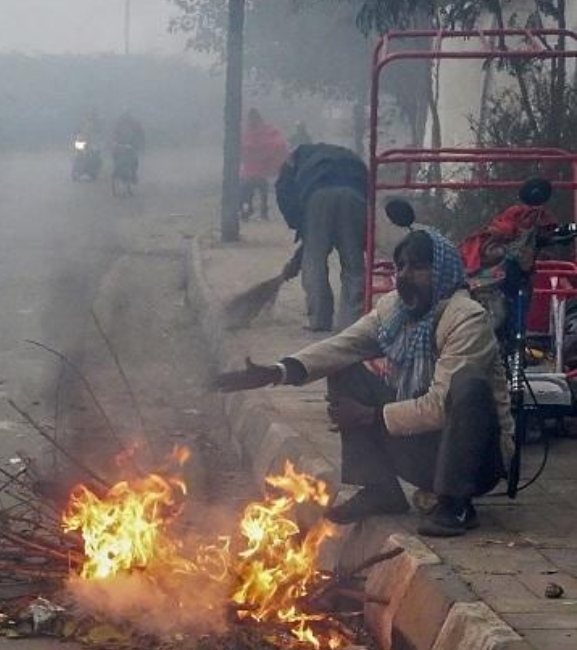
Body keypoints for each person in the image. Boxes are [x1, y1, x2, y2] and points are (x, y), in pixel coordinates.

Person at [213, 228, 514, 537]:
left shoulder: (466, 319)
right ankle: (380, 489)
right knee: (343, 368)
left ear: (442, 271)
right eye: (402, 267)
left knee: (468, 385)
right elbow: (345, 346)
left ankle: (455, 505)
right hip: (422, 449)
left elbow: (438, 406)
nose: (407, 276)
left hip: (477, 460)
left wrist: (370, 415)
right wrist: (278, 372)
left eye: (418, 267)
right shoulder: (395, 309)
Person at [275, 143, 368, 332]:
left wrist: (299, 224)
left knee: (314, 261)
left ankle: (319, 320)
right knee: (354, 264)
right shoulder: (347, 154)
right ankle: (352, 325)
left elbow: (283, 191)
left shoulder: (294, 159)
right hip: (355, 196)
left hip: (318, 197)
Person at [239, 108, 287, 221]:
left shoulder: (247, 133)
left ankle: (247, 211)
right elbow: (277, 144)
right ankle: (263, 212)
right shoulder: (265, 130)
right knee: (262, 193)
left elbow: (241, 148)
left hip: (250, 171)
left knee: (248, 194)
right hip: (261, 170)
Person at [111, 108, 146, 182]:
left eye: (127, 114)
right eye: (125, 114)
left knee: (134, 159)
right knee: (115, 155)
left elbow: (140, 134)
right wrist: (114, 142)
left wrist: (140, 143)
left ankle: (133, 174)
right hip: (121, 144)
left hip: (132, 144)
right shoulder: (119, 122)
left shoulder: (135, 123)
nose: (126, 116)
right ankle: (117, 170)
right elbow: (114, 133)